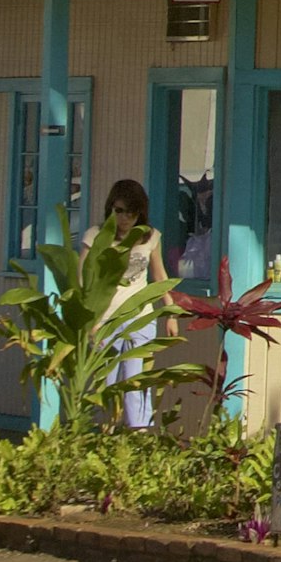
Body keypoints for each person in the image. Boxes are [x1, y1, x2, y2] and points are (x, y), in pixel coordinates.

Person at [97, 179, 169, 429]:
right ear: (110, 209)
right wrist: (91, 322)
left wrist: (170, 312)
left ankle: (139, 434)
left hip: (140, 316)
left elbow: (160, 276)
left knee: (136, 380)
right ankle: (106, 433)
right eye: (119, 211)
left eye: (132, 212)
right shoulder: (98, 237)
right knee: (106, 381)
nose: (125, 218)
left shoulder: (150, 238)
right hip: (106, 318)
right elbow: (84, 277)